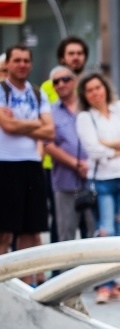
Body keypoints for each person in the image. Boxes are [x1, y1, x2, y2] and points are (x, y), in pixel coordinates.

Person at [76, 73, 120, 304]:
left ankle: (112, 282)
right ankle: (104, 284)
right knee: (106, 231)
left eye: (98, 87)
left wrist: (110, 144)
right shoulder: (85, 117)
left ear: (105, 87)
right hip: (104, 181)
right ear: (84, 95)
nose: (95, 92)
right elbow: (93, 149)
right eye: (90, 90)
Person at [0, 45, 54, 285]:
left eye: (25, 60)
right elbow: (7, 127)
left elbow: (50, 129)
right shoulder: (2, 90)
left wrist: (20, 123)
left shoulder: (37, 93)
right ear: (8, 63)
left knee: (30, 229)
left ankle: (24, 284)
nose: (21, 64)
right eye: (17, 60)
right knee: (4, 229)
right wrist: (34, 124)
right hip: (5, 163)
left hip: (32, 164)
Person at [42, 66, 95, 243]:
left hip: (94, 179)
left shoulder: (89, 106)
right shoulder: (49, 112)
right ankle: (66, 271)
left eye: (65, 79)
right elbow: (47, 144)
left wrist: (91, 164)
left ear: (74, 81)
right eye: (56, 81)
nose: (61, 84)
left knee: (96, 233)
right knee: (66, 235)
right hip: (64, 181)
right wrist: (75, 163)